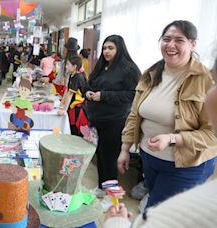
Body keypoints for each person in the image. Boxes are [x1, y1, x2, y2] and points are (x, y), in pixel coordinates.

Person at [104, 42, 217, 228]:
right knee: (153, 205)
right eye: (167, 38)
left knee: (155, 209)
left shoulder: (202, 79)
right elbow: (135, 114)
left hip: (185, 165)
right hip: (151, 158)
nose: (171, 44)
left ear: (193, 43)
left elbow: (211, 136)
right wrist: (125, 149)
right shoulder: (152, 74)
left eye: (179, 39)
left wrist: (173, 138)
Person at [85, 35, 141, 196]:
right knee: (101, 157)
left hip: (114, 121)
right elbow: (91, 85)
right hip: (97, 121)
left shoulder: (129, 69)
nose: (106, 52)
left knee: (110, 159)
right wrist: (88, 92)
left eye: (111, 48)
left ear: (120, 49)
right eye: (104, 48)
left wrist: (103, 96)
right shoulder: (102, 67)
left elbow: (131, 95)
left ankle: (113, 197)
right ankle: (103, 188)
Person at [58, 55, 88, 136]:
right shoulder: (72, 75)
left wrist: (64, 109)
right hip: (72, 106)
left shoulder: (77, 77)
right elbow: (67, 91)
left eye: (68, 64)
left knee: (74, 129)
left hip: (77, 108)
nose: (66, 67)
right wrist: (61, 105)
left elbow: (70, 95)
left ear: (74, 66)